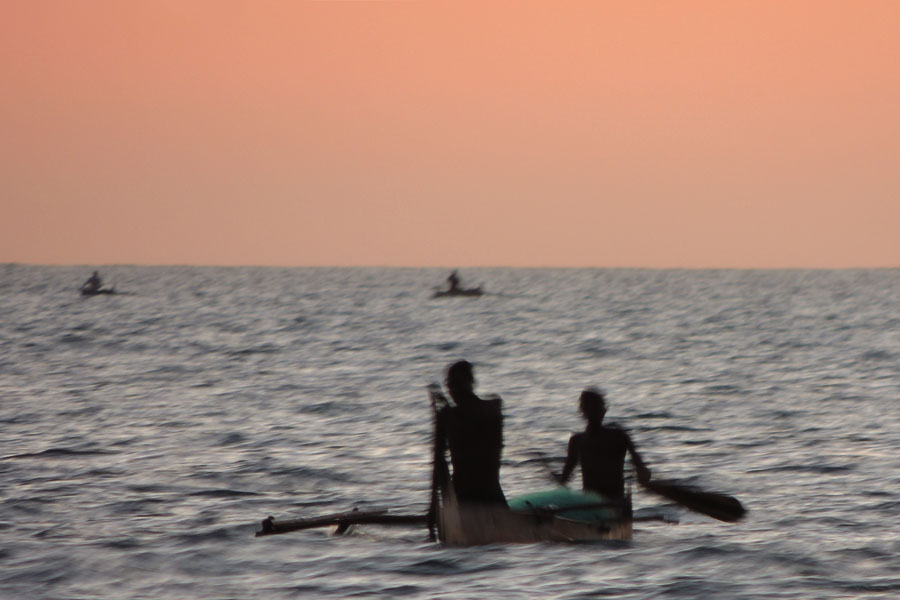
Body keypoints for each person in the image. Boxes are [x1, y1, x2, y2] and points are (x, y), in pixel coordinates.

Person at [431, 360, 507, 506]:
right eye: (450, 385)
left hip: (469, 495)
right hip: (485, 495)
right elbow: (439, 459)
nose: (451, 389)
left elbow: (439, 458)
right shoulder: (491, 410)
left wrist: (444, 414)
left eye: (455, 385)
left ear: (469, 383)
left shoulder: (451, 416)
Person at [558, 388, 651, 501]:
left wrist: (642, 474)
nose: (596, 413)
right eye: (592, 409)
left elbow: (640, 467)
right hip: (592, 502)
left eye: (598, 409)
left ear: (604, 411)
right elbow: (566, 476)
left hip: (614, 501)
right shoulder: (577, 441)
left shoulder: (619, 436)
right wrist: (560, 483)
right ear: (583, 411)